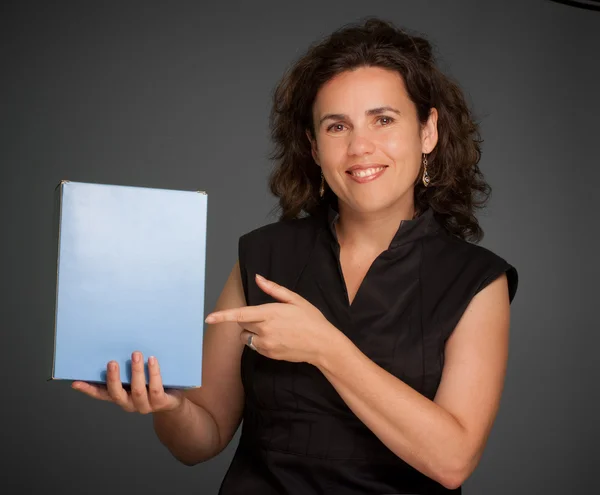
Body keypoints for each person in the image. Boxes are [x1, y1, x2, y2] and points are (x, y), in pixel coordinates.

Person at [72, 17, 519, 494]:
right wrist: (170, 408)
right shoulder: (264, 254)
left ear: (427, 131)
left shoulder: (476, 280)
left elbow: (452, 461)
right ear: (313, 146)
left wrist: (326, 348)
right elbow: (200, 441)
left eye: (383, 120)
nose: (359, 147)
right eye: (336, 126)